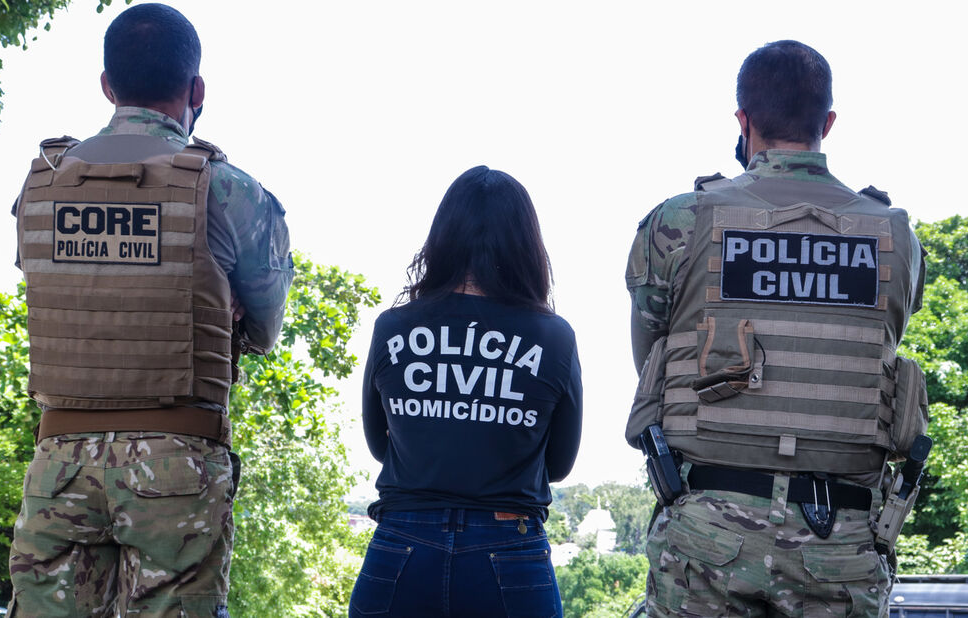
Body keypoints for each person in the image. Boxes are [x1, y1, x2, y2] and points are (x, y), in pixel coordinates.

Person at [7, 4, 294, 617]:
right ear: (197, 91)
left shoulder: (41, 184)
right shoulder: (229, 190)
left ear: (107, 86)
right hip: (177, 467)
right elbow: (265, 328)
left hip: (59, 464)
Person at [625, 40, 928, 616]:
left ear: (743, 121)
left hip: (707, 538)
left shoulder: (680, 221)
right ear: (827, 124)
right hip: (840, 544)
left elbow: (652, 358)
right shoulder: (896, 238)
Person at [351, 166, 583, 618]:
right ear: (526, 245)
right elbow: (559, 464)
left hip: (401, 546)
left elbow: (380, 445)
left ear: (442, 237)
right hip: (510, 552)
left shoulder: (393, 327)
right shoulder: (554, 336)